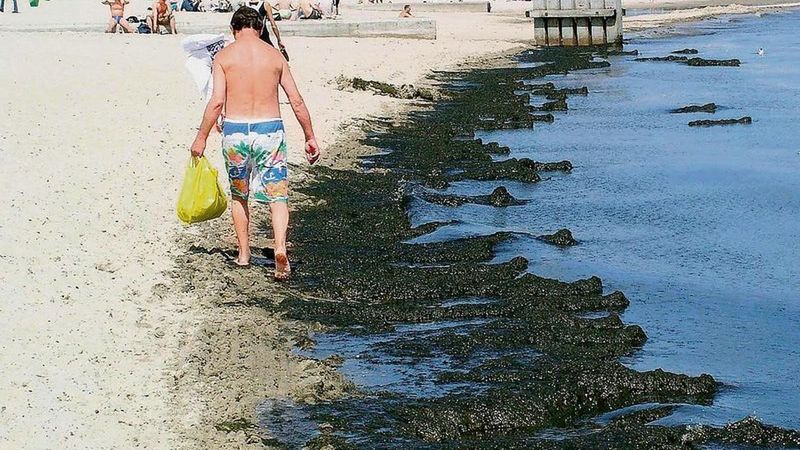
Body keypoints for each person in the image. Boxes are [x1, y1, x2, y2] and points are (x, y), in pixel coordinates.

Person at [189, 6, 320, 280]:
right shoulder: (274, 57)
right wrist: (309, 136)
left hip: (236, 131)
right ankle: (280, 248)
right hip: (269, 129)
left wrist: (200, 138)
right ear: (260, 28)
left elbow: (216, 103)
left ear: (233, 29)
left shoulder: (224, 57)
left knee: (240, 194)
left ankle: (244, 254)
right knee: (278, 195)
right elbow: (296, 100)